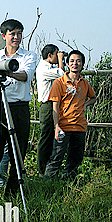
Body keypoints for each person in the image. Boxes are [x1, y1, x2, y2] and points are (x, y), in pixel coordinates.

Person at [0, 19, 37, 198]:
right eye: (12, 33)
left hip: (19, 109)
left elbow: (25, 75)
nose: (16, 37)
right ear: (4, 35)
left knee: (18, 153)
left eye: (19, 33)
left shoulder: (29, 56)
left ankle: (12, 195)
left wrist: (8, 72)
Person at [44, 50, 96, 180]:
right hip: (64, 126)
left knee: (75, 159)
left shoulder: (84, 83)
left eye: (78, 61)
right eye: (72, 61)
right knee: (56, 157)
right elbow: (55, 105)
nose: (75, 64)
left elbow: (93, 97)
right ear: (67, 63)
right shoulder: (59, 82)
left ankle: (68, 184)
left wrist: (85, 104)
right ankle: (47, 185)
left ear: (82, 64)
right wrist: (56, 126)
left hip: (80, 127)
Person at [35, 44, 66, 176]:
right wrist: (61, 59)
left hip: (51, 105)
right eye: (56, 54)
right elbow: (62, 74)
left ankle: (48, 168)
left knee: (51, 138)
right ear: (50, 55)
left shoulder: (47, 67)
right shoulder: (43, 68)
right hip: (47, 106)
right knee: (46, 138)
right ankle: (42, 170)